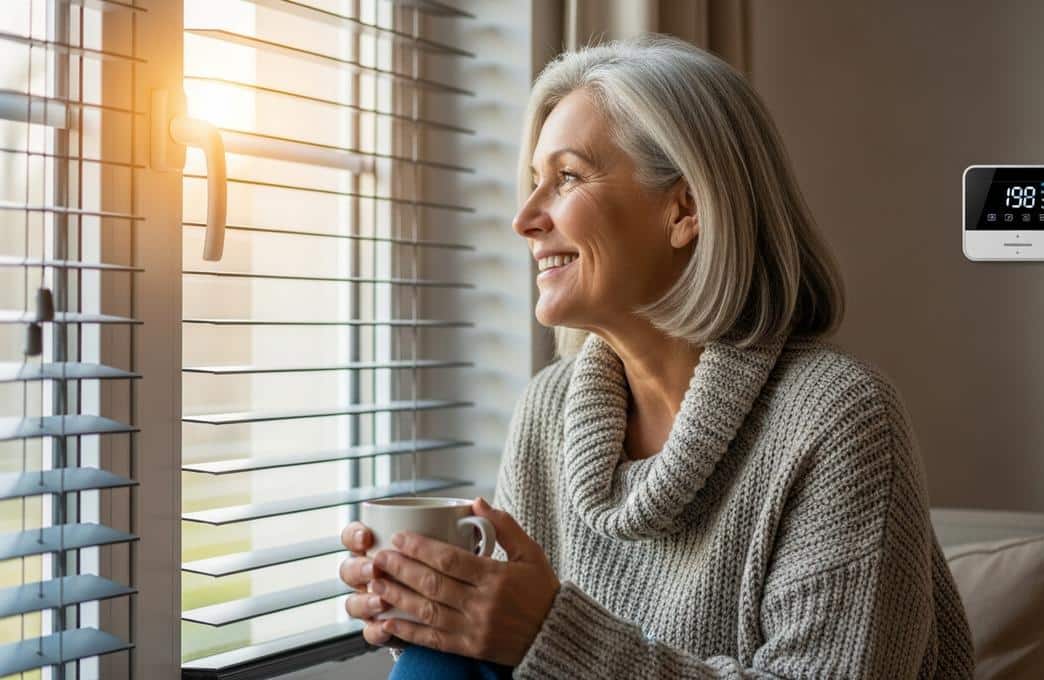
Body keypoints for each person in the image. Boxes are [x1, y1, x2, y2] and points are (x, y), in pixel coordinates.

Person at [338, 34, 975, 679]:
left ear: (685, 208)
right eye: (534, 183)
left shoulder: (838, 416)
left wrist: (552, 640)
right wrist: (437, 613)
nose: (525, 219)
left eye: (567, 178)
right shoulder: (547, 409)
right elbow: (512, 660)